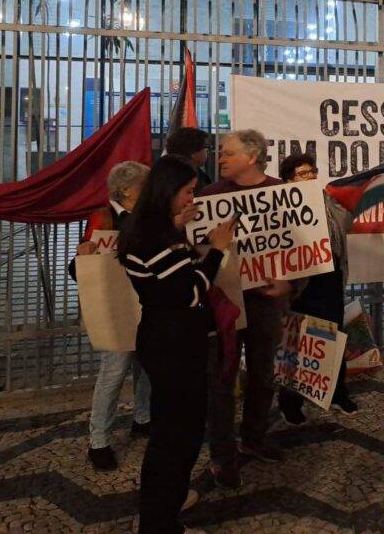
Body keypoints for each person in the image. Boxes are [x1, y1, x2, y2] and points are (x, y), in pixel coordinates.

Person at [117, 155, 236, 534]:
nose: (192, 200)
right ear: (167, 192)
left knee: (173, 432)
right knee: (176, 438)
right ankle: (160, 519)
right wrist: (217, 249)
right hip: (173, 344)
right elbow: (189, 293)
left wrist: (178, 228)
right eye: (187, 192)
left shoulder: (151, 229)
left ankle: (165, 505)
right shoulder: (155, 239)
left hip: (166, 339)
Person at [198, 129, 290, 489]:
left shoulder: (282, 193)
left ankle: (254, 436)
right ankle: (223, 454)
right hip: (224, 304)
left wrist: (289, 284)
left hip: (266, 302)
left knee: (263, 372)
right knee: (221, 378)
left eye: (227, 153)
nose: (219, 158)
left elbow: (301, 247)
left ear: (252, 157)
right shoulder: (208, 197)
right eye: (220, 152)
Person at [71, 161, 152, 472]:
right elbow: (82, 267)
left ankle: (143, 418)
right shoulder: (103, 218)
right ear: (128, 190)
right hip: (115, 307)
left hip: (143, 303)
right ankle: (99, 441)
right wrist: (84, 256)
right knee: (114, 372)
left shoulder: (146, 217)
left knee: (144, 367)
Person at [276, 153, 357, 423]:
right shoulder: (282, 206)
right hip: (300, 284)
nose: (310, 177)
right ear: (289, 179)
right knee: (297, 342)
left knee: (333, 335)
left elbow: (344, 226)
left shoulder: (327, 200)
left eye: (312, 171)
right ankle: (291, 402)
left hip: (329, 278)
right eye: (303, 173)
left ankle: (337, 392)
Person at [166, 126, 212, 191]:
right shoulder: (189, 180)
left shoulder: (164, 174)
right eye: (206, 147)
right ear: (193, 153)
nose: (207, 151)